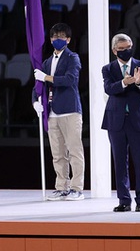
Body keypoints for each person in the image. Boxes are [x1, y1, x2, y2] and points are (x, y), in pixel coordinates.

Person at [32, 23, 85, 201]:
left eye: (61, 36)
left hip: (70, 110)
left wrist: (46, 77)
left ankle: (77, 188)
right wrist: (35, 101)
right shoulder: (47, 62)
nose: (57, 39)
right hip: (52, 112)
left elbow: (70, 80)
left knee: (75, 151)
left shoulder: (73, 58)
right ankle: (62, 186)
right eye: (54, 37)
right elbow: (38, 85)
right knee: (58, 153)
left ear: (68, 40)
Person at [102, 33, 140, 212]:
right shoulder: (108, 69)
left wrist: (138, 84)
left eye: (128, 48)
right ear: (115, 51)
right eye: (122, 49)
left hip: (138, 121)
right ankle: (124, 200)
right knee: (119, 162)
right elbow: (109, 88)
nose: (126, 52)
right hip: (116, 121)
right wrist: (124, 82)